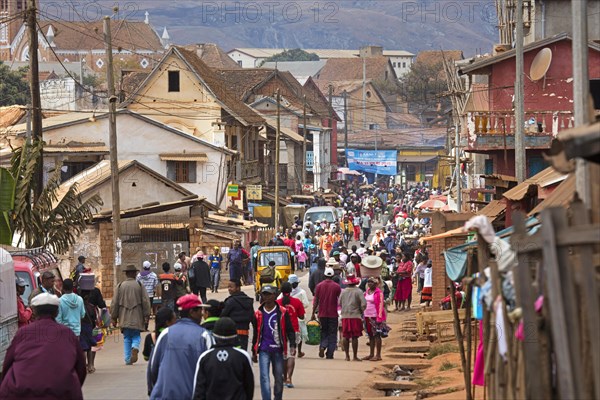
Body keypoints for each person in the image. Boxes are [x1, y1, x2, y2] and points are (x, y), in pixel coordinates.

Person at [0, 293, 86, 399]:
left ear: (34, 312)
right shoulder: (67, 333)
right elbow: (81, 367)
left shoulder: (23, 332)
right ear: (57, 312)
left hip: (21, 391)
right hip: (61, 391)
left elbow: (8, 363)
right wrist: (71, 385)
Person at [148, 294, 213, 399]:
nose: (202, 315)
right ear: (192, 312)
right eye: (199, 311)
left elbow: (153, 368)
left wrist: (154, 391)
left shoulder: (165, 333)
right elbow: (212, 371)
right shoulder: (204, 336)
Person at [192, 317, 254, 400]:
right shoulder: (243, 356)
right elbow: (249, 386)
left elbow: (199, 389)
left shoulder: (205, 357)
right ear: (235, 335)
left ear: (214, 335)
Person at [252, 285, 296, 400]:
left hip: (278, 350)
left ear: (275, 295)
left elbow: (290, 330)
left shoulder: (282, 312)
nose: (266, 297)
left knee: (279, 378)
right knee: (264, 377)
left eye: (269, 294)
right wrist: (254, 350)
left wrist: (292, 345)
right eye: (264, 294)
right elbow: (256, 334)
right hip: (263, 350)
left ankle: (277, 397)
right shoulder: (258, 313)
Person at [111, 265, 151, 365]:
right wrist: (147, 315)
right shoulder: (139, 285)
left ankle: (128, 359)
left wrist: (113, 318)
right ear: (134, 273)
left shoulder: (120, 286)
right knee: (136, 335)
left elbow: (114, 303)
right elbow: (145, 301)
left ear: (126, 274)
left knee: (127, 337)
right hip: (137, 316)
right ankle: (135, 347)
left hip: (124, 316)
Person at [276, 282, 305, 388]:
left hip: (280, 332)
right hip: (294, 331)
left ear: (281, 291)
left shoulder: (277, 303)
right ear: (291, 290)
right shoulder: (297, 302)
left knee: (284, 355)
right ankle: (289, 378)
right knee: (292, 354)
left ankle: (284, 379)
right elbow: (301, 316)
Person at [312, 266, 342, 359]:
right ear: (333, 275)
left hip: (322, 314)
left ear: (324, 275)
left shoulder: (319, 286)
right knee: (332, 333)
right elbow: (340, 300)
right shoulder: (337, 286)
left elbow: (316, 300)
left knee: (323, 331)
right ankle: (330, 353)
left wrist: (313, 313)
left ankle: (323, 346)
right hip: (333, 314)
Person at [221, 278, 256, 352]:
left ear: (238, 288)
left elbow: (222, 316)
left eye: (231, 287)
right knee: (242, 356)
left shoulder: (230, 302)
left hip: (231, 335)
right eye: (228, 287)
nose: (229, 289)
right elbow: (253, 319)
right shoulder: (248, 301)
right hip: (244, 335)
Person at [339, 275, 366, 362]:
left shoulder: (343, 292)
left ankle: (347, 356)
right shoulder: (359, 291)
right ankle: (355, 356)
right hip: (355, 316)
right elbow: (363, 304)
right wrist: (361, 311)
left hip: (345, 316)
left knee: (345, 336)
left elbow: (339, 302)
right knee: (355, 336)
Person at [363, 277, 386, 361]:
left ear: (376, 284)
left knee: (377, 335)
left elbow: (380, 305)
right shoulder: (366, 292)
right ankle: (371, 354)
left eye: (371, 282)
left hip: (375, 316)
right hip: (367, 315)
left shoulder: (379, 293)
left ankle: (378, 355)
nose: (369, 284)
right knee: (370, 335)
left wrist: (379, 317)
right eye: (368, 282)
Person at [79, 290, 98, 373]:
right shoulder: (91, 306)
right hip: (89, 327)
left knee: (83, 348)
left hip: (80, 327)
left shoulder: (79, 305)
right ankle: (90, 365)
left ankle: (83, 366)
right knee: (89, 347)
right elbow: (94, 318)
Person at [137, 261, 159, 329]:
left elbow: (137, 285)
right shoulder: (154, 275)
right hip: (150, 295)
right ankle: (146, 326)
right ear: (149, 267)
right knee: (148, 310)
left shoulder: (139, 275)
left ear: (143, 267)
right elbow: (155, 285)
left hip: (141, 295)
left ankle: (141, 325)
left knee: (141, 310)